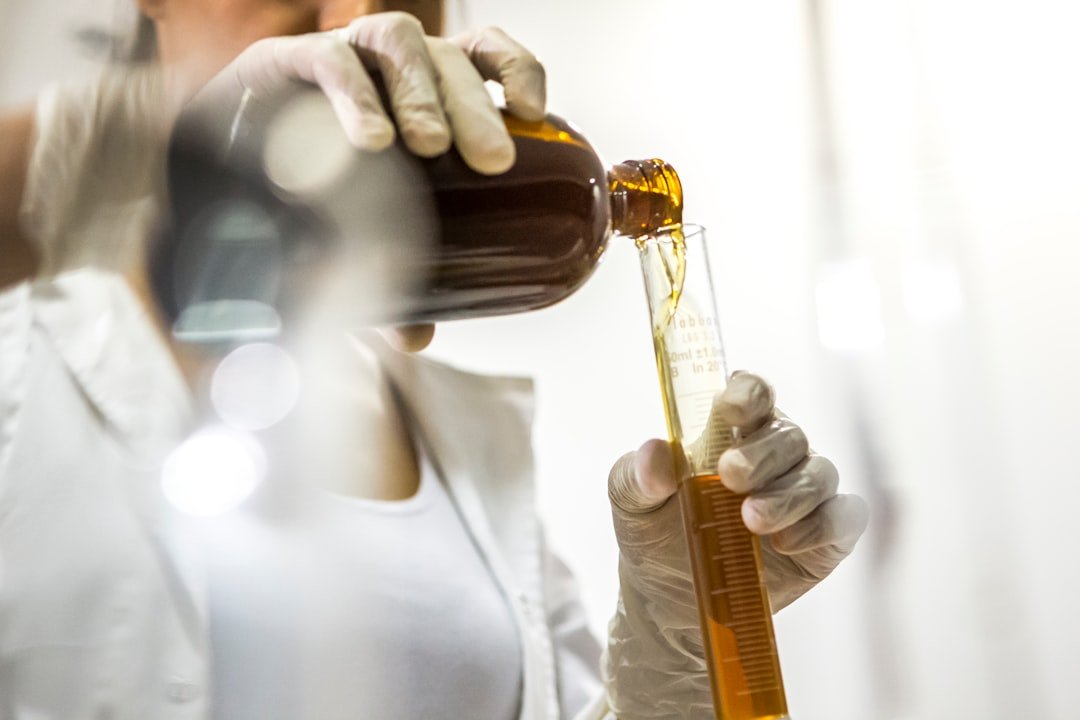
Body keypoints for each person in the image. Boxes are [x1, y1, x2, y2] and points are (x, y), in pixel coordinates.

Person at [0, 1, 870, 718]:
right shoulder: (21, 349)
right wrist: (166, 142)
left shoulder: (464, 439)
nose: (352, 15)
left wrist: (676, 647)